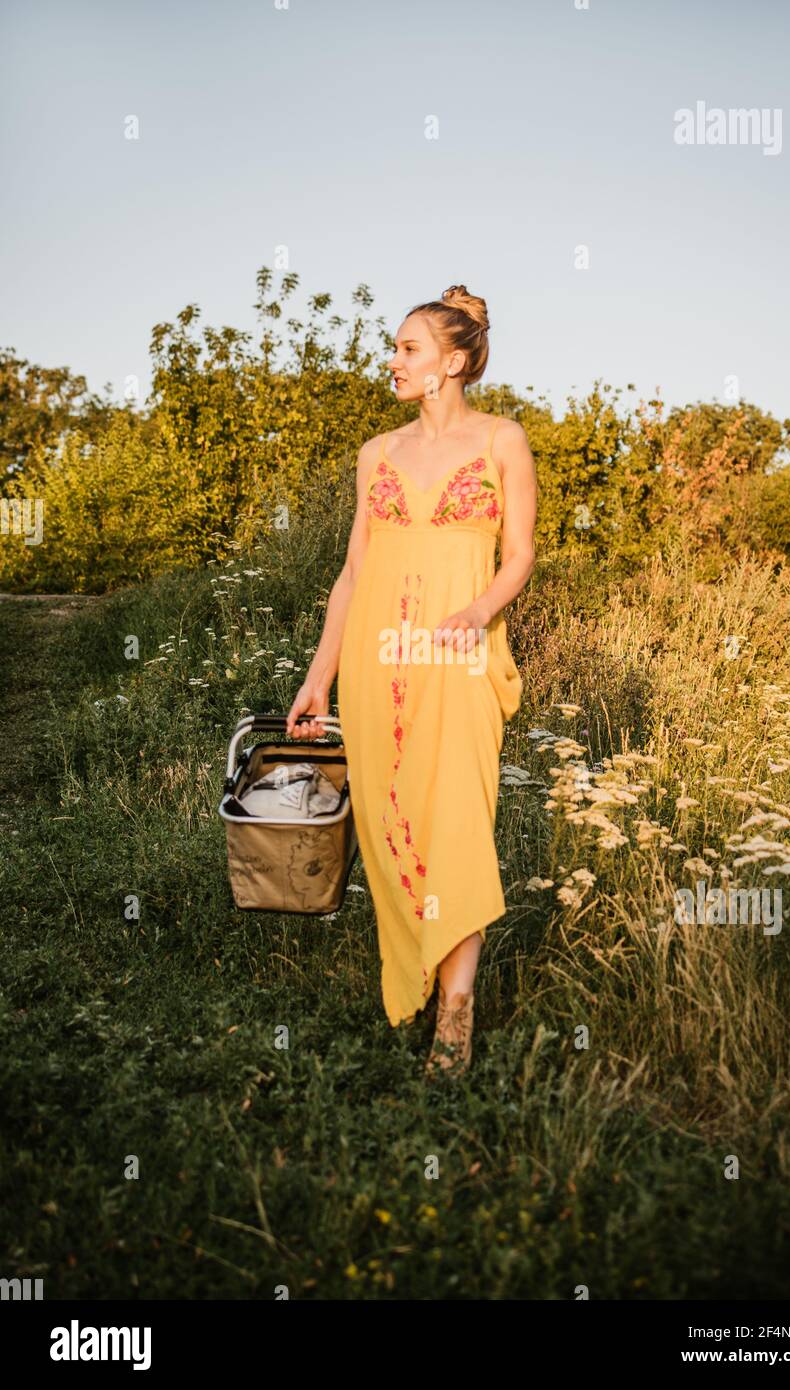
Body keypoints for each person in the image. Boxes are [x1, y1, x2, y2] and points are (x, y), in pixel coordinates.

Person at [286, 284, 537, 1076]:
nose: (392, 362)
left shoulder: (503, 440)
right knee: (393, 821)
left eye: (408, 349)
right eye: (394, 348)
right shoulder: (378, 454)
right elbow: (353, 572)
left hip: (459, 657)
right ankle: (419, 970)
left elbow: (522, 553)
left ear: (452, 363)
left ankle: (455, 1016)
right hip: (375, 657)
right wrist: (319, 675)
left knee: (458, 819)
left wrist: (477, 611)